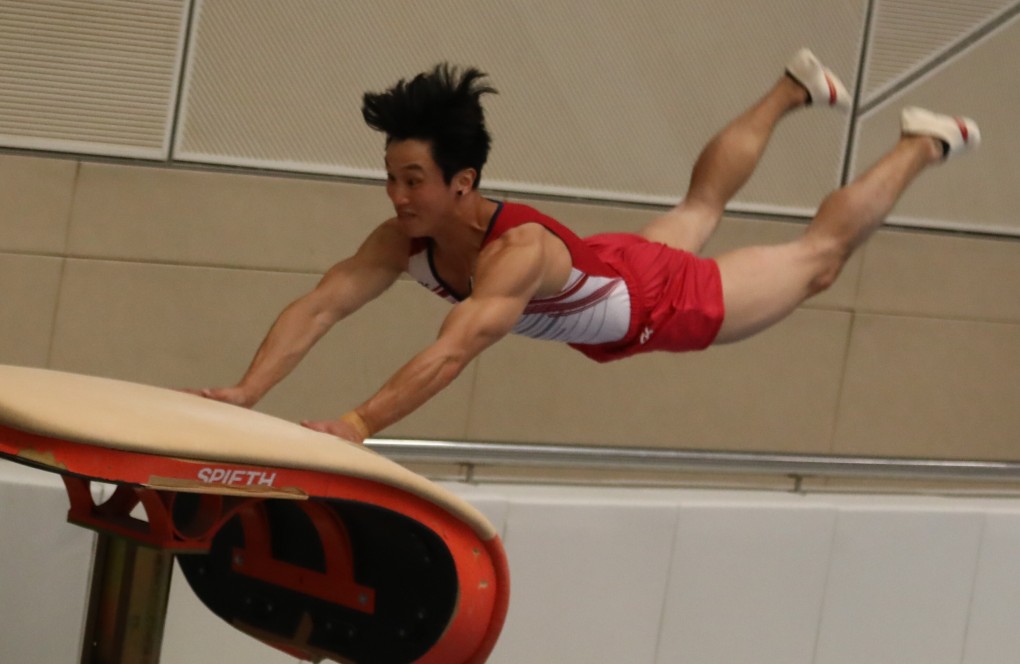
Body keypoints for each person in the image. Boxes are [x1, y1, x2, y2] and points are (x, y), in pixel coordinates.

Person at [192, 49, 979, 443]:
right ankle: (792, 88)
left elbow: (450, 354)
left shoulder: (517, 253)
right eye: (390, 179)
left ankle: (921, 144)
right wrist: (248, 390)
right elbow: (323, 304)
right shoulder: (405, 238)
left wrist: (357, 423)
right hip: (610, 268)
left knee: (817, 261)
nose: (396, 198)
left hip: (660, 302)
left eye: (413, 181)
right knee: (697, 206)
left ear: (462, 181)